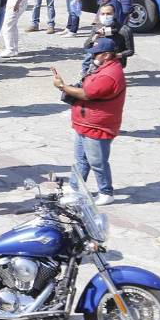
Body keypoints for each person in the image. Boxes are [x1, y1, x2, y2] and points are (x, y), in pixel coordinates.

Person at [52, 38, 127, 205]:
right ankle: (74, 187)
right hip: (85, 123)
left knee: (97, 162)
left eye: (96, 54)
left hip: (98, 126)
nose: (93, 57)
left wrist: (62, 86)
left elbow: (87, 94)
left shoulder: (109, 75)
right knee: (81, 159)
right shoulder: (102, 68)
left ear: (107, 55)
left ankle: (106, 192)